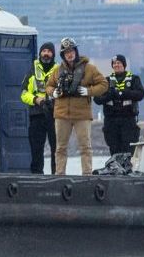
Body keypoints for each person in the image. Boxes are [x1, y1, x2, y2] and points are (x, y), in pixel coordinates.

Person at [40, 37, 108, 174]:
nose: (69, 54)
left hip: (82, 115)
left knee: (85, 147)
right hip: (61, 114)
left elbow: (104, 84)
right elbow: (48, 86)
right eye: (66, 52)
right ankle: (60, 174)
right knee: (60, 148)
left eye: (71, 51)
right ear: (63, 55)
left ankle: (87, 174)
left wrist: (89, 91)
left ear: (76, 52)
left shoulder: (89, 69)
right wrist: (54, 93)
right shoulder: (58, 70)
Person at [19, 40, 57, 173]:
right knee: (36, 150)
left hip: (55, 115)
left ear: (53, 54)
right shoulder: (32, 71)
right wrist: (36, 99)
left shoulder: (59, 71)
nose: (46, 54)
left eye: (49, 51)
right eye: (44, 51)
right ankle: (37, 177)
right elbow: (23, 94)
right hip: (37, 115)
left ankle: (57, 177)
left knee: (57, 150)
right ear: (40, 53)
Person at [99, 54, 144, 157]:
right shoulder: (106, 81)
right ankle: (115, 169)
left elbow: (140, 94)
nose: (116, 65)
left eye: (119, 63)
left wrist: (123, 93)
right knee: (114, 149)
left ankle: (127, 169)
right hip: (111, 120)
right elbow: (97, 99)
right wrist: (110, 95)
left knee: (128, 149)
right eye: (114, 63)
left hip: (128, 119)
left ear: (124, 64)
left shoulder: (134, 79)